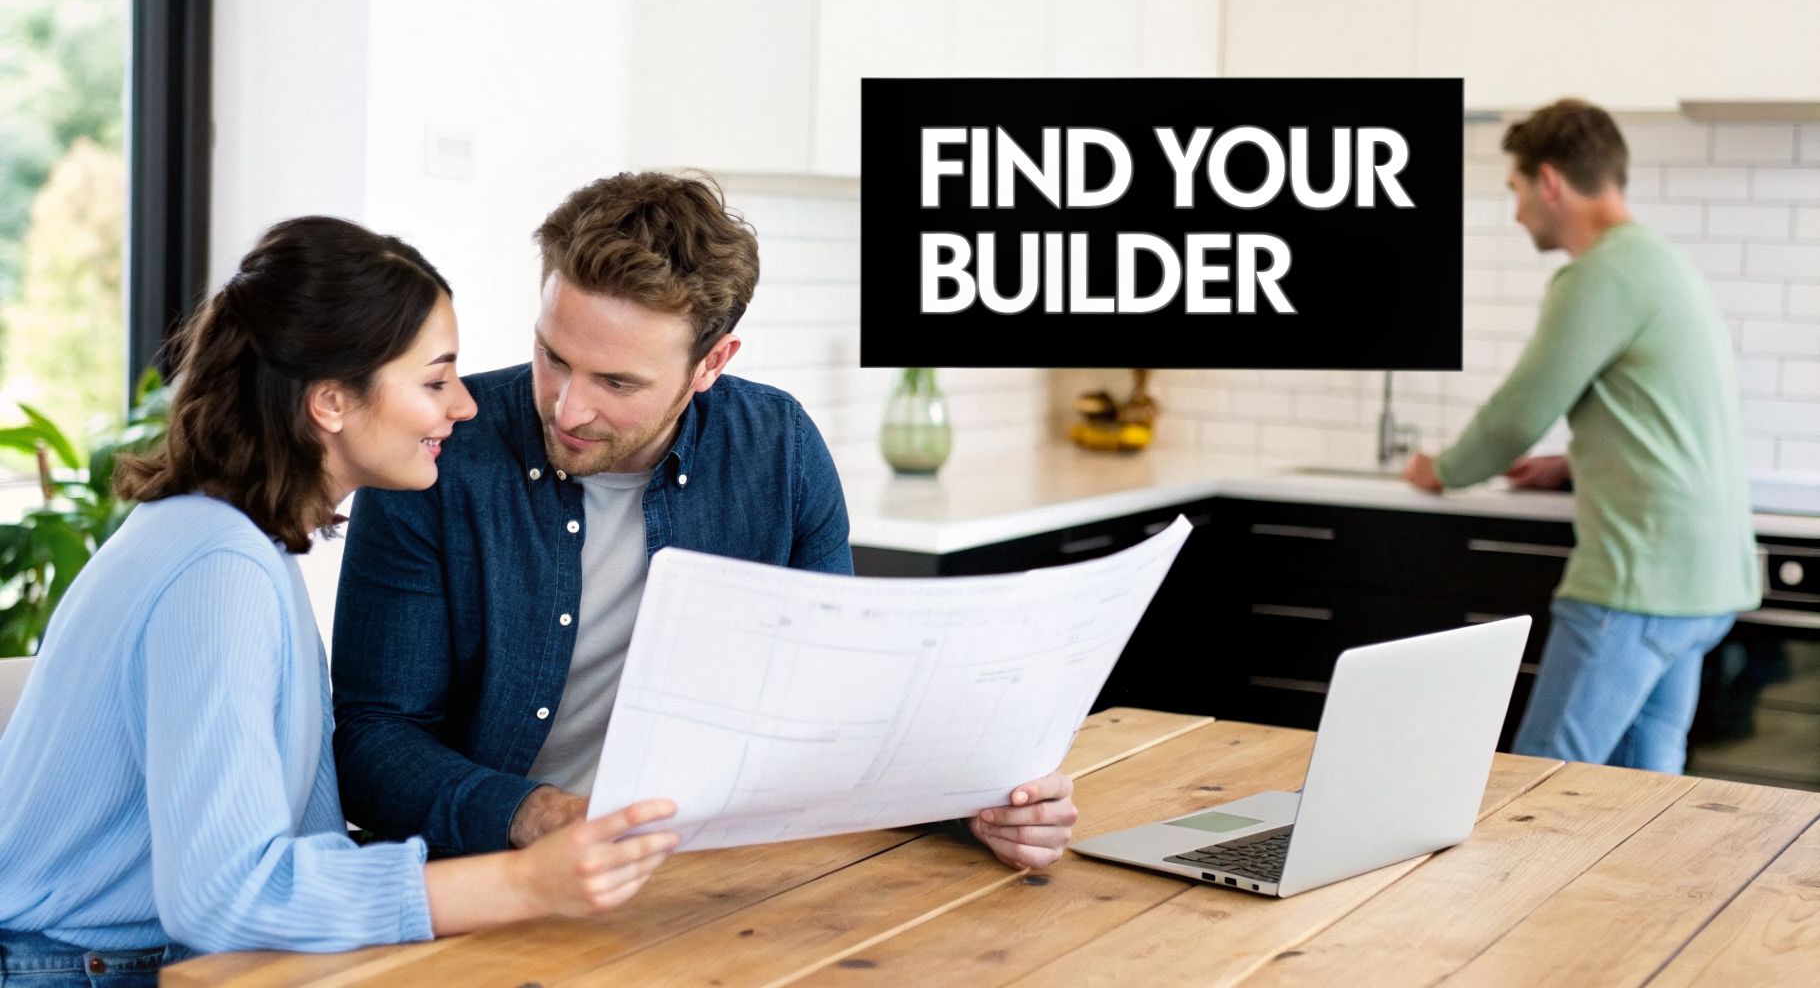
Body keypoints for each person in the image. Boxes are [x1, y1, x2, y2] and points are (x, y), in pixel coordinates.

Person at [331, 172, 1078, 869]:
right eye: (553, 356)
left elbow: (838, 709)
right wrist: (540, 815)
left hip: (720, 870)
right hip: (496, 875)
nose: (567, 408)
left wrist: (974, 806)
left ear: (712, 363)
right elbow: (372, 743)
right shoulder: (438, 457)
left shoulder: (779, 450)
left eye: (617, 382)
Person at [0, 218, 679, 985]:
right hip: (92, 971)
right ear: (330, 402)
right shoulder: (218, 570)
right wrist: (523, 883)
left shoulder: (222, 537)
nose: (464, 406)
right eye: (435, 382)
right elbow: (223, 896)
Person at [1404, 99, 1761, 774]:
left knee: (1540, 784)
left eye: (1514, 190)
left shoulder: (1600, 274)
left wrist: (1443, 469)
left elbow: (1516, 416)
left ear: (1549, 181)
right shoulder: (1662, 263)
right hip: (1704, 580)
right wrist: (1571, 464)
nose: (1516, 213)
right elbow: (1672, 414)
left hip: (1637, 580)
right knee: (1643, 790)